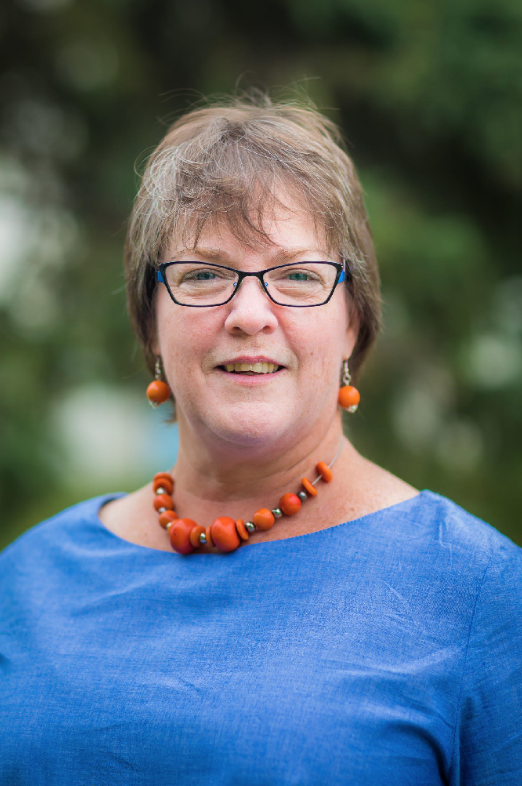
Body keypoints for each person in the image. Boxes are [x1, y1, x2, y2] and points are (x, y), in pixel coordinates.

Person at [1, 94, 521, 786]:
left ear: (354, 325)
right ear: (151, 322)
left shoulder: (480, 592)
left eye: (298, 276)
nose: (249, 314)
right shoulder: (27, 582)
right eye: (204, 274)